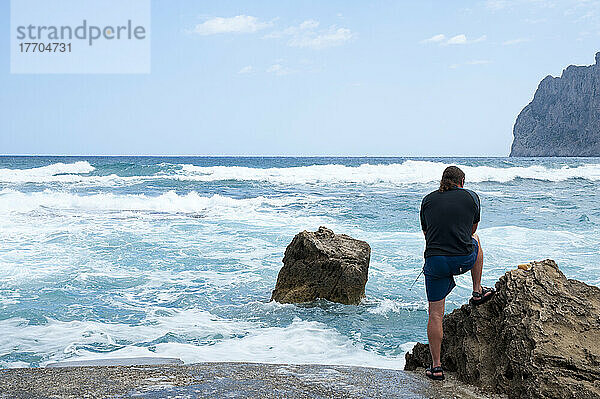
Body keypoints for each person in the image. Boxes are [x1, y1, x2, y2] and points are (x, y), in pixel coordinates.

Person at [419, 166, 495, 381]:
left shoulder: (427, 200)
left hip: (435, 261)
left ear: (443, 180)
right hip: (463, 259)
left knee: (435, 314)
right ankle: (477, 291)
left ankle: (436, 367)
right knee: (477, 240)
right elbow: (472, 229)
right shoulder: (471, 197)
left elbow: (427, 233)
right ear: (462, 181)